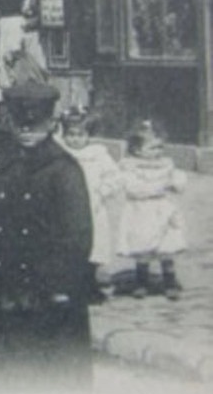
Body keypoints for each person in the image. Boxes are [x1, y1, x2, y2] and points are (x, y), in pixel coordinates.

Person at [0, 79, 93, 393]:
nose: (26, 131)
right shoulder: (2, 169)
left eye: (34, 125)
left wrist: (60, 288)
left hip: (48, 300)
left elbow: (76, 237)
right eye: (20, 125)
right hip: (4, 296)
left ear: (51, 123)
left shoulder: (64, 170)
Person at [117, 118, 186, 301]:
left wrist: (176, 183)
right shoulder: (130, 167)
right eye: (153, 148)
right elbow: (132, 188)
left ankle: (169, 281)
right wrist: (158, 187)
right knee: (142, 247)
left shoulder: (166, 164)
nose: (158, 152)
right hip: (141, 210)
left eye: (160, 147)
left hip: (162, 209)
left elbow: (177, 180)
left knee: (166, 247)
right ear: (138, 150)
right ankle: (141, 281)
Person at [58, 107, 122, 303]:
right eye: (71, 134)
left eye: (80, 135)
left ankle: (90, 284)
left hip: (93, 208)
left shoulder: (98, 156)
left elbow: (115, 177)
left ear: (88, 136)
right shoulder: (60, 155)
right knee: (69, 246)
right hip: (66, 208)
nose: (75, 139)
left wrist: (103, 190)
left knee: (93, 247)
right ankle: (70, 285)